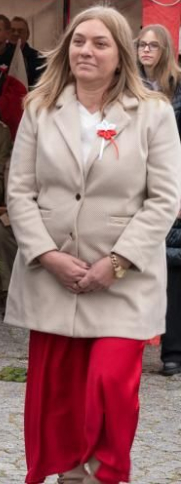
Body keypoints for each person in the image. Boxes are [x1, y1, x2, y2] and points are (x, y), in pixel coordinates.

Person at [5, 6, 181, 484]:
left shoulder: (153, 112)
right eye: (79, 41)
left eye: (100, 43)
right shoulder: (40, 108)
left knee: (110, 384)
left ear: (121, 54)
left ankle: (105, 474)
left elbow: (165, 199)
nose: (87, 50)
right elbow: (19, 191)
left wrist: (118, 261)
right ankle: (70, 475)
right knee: (59, 395)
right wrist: (47, 255)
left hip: (124, 281)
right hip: (53, 277)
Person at [135, 23, 181, 377]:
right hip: (135, 185)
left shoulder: (177, 88)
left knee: (173, 268)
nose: (146, 50)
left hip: (172, 184)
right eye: (142, 44)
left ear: (165, 50)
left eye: (153, 45)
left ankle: (173, 350)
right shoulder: (128, 85)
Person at [10, 16, 43, 86]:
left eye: (20, 31)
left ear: (27, 35)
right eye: (12, 30)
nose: (16, 34)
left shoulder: (39, 59)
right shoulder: (0, 55)